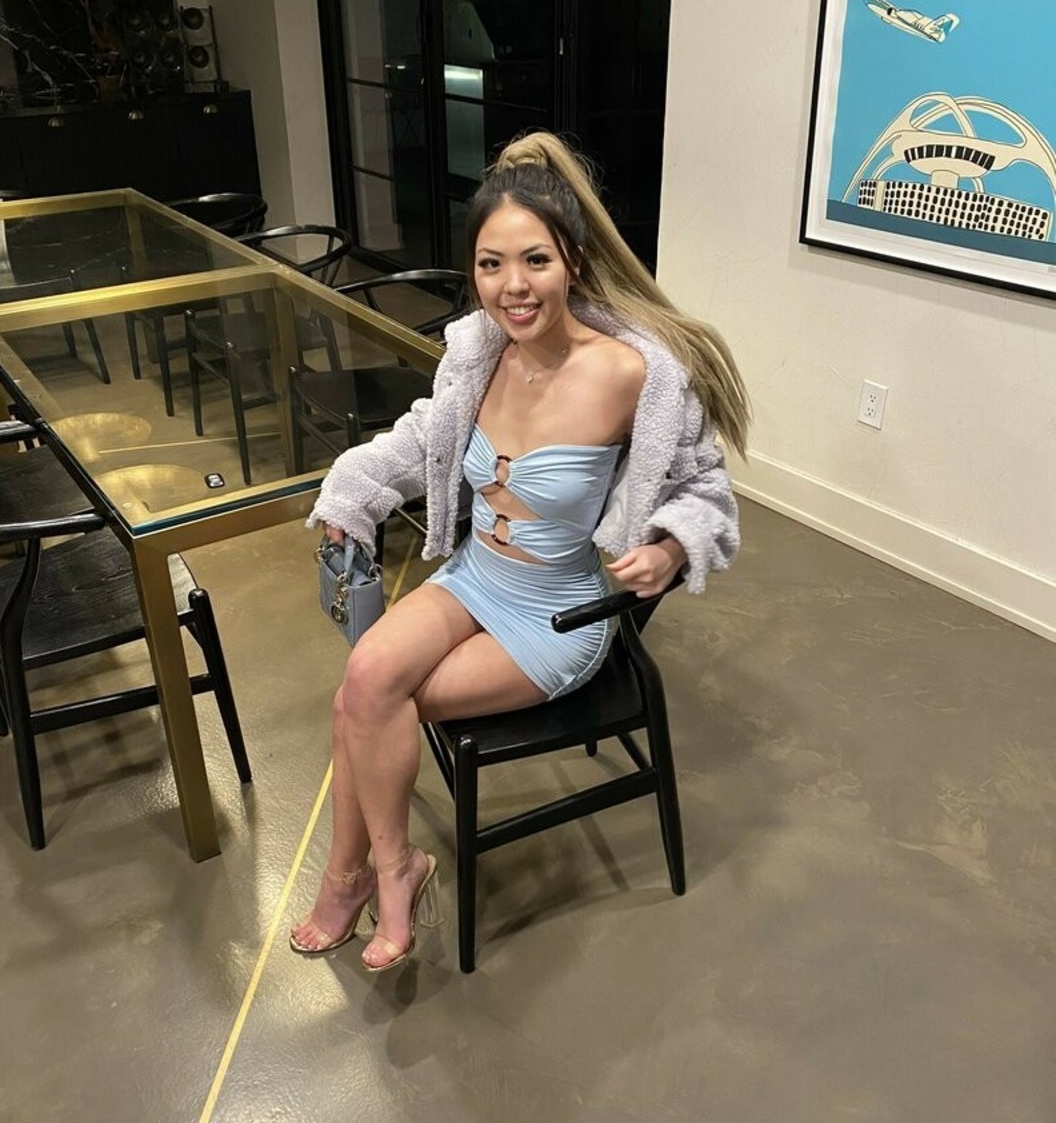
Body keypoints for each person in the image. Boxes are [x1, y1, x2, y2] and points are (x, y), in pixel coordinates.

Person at [290, 131, 750, 971]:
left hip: (557, 615)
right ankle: (389, 869)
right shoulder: (478, 354)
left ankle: (360, 880)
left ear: (572, 258)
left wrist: (673, 549)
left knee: (366, 696)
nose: (513, 286)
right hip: (474, 576)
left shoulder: (634, 375)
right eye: (491, 264)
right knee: (367, 682)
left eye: (535, 260)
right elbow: (424, 439)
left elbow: (705, 488)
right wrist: (350, 495)